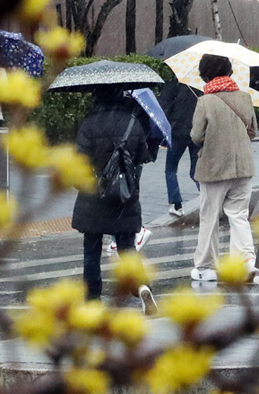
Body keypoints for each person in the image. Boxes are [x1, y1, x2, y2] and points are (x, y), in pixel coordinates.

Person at [71, 86, 157, 315]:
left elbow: (79, 160)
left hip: (94, 195)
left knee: (92, 250)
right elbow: (142, 155)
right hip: (123, 196)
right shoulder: (132, 122)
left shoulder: (89, 124)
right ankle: (142, 286)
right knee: (127, 249)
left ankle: (92, 299)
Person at [190, 54, 258, 283]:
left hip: (214, 168)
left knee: (209, 217)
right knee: (239, 215)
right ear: (229, 71)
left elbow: (196, 136)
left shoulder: (205, 101)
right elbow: (252, 131)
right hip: (243, 167)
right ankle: (246, 261)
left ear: (205, 74)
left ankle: (206, 267)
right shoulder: (245, 97)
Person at [159, 79, 201, 217]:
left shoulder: (172, 86)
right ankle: (208, 198)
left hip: (177, 132)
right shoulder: (198, 87)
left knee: (170, 169)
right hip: (195, 131)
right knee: (196, 170)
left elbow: (163, 108)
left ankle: (177, 205)